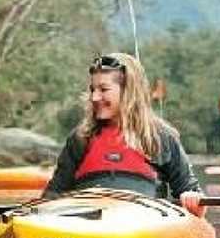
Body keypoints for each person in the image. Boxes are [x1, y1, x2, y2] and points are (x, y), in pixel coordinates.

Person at [42, 52, 205, 217]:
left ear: (128, 92)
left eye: (103, 89)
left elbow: (189, 189)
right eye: (92, 89)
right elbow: (52, 197)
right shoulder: (80, 139)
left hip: (145, 226)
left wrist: (192, 198)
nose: (94, 97)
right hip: (86, 226)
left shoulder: (161, 137)